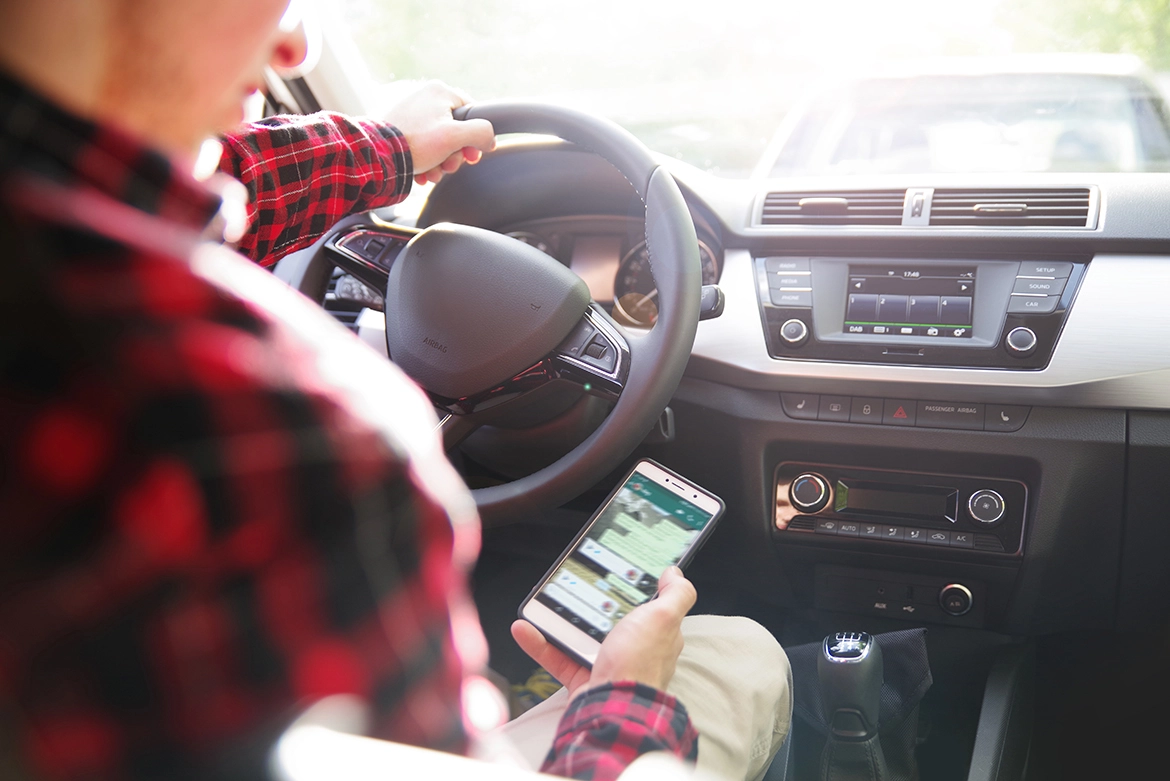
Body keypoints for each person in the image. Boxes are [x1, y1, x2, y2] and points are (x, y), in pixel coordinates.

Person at [0, 1, 791, 779]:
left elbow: (196, 186)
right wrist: (622, 698)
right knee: (739, 657)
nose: (297, 45)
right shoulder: (262, 431)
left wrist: (388, 152)